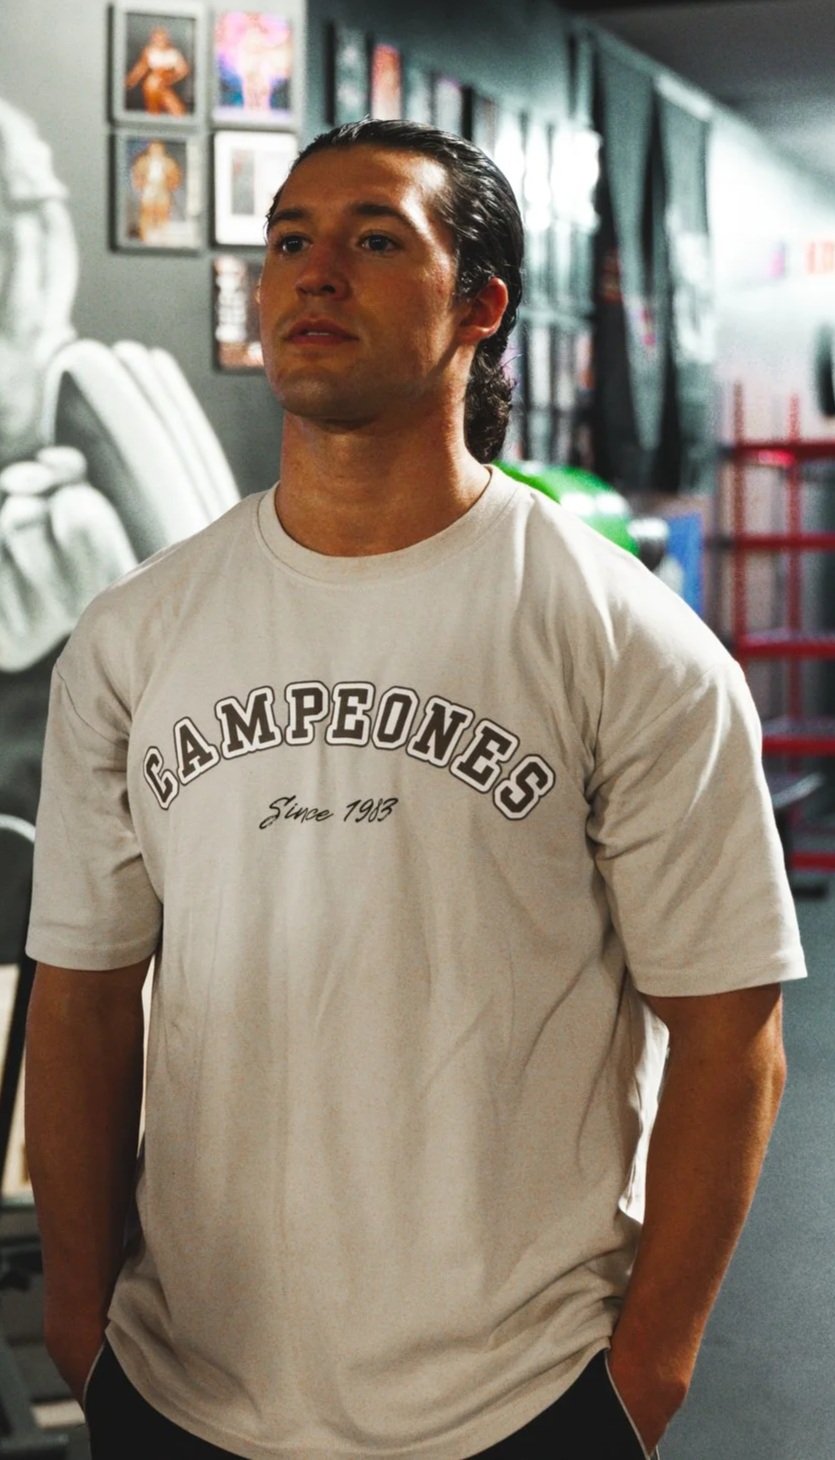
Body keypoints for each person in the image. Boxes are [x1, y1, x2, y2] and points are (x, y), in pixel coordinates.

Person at [24, 119, 805, 1460]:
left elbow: (732, 1033)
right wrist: (81, 1331)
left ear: (481, 307)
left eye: (376, 240)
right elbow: (83, 998)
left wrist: (643, 1380)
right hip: (180, 1383)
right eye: (289, 240)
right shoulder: (135, 635)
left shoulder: (623, 639)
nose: (314, 272)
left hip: (515, 1399)